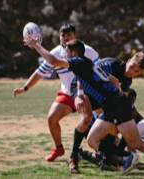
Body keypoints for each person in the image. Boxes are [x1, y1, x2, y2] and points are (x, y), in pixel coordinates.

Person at [24, 38, 144, 179]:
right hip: (111, 106)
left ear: (73, 52)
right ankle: (127, 157)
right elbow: (108, 77)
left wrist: (37, 45)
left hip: (117, 105)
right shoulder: (87, 63)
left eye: (66, 52)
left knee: (136, 143)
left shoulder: (78, 62)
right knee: (93, 140)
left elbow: (52, 60)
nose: (64, 55)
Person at [13, 23, 99, 163]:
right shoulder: (55, 53)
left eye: (69, 35)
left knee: (90, 127)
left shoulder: (88, 51)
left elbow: (100, 70)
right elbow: (39, 73)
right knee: (52, 118)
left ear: (74, 36)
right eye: (63, 35)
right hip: (67, 94)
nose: (65, 38)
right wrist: (25, 88)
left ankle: (101, 152)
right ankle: (59, 148)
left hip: (86, 95)